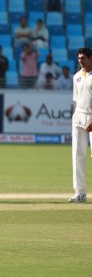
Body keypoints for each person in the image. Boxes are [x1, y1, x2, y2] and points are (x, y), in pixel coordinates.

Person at [69, 48, 92, 203]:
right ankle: (80, 193)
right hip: (79, 118)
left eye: (83, 58)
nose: (80, 61)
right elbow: (76, 101)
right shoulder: (77, 76)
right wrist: (75, 117)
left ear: (91, 58)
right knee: (78, 156)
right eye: (79, 58)